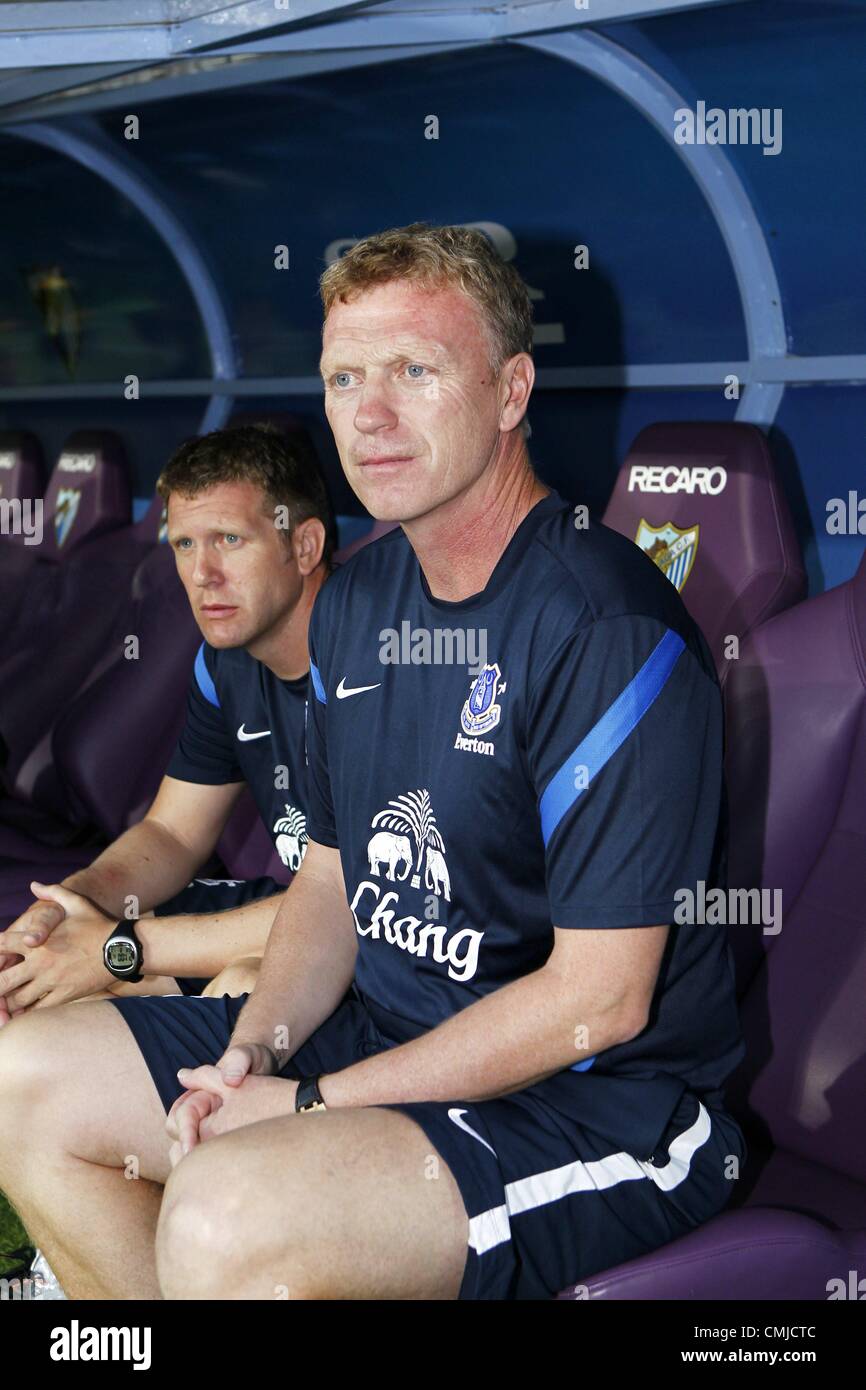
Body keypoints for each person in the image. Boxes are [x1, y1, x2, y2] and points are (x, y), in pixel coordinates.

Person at [0, 222, 746, 1301]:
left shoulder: (601, 627)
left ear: (509, 391)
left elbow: (600, 1000)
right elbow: (330, 880)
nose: (369, 412)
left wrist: (311, 1104)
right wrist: (254, 1053)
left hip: (592, 1102)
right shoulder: (355, 600)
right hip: (382, 1032)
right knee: (26, 1079)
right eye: (344, 376)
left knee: (225, 1213)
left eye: (413, 370)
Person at [0, 422, 333, 1021]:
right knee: (40, 983)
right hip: (295, 905)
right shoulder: (226, 661)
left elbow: (367, 904)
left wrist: (116, 949)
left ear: (303, 546)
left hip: (398, 941)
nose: (203, 574)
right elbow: (173, 835)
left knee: (242, 983)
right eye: (184, 544)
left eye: (229, 539)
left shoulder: (371, 662)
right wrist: (70, 907)